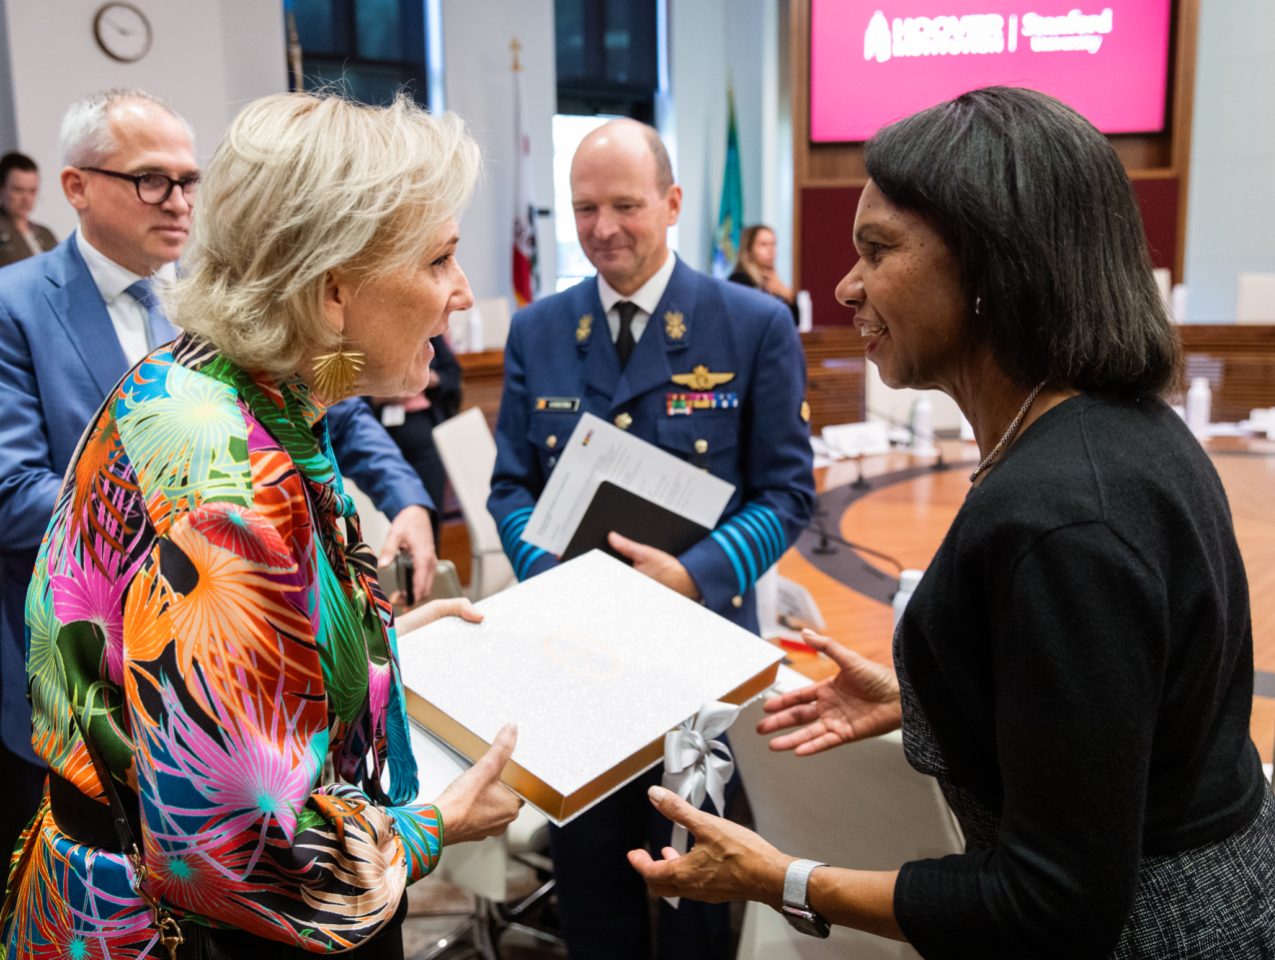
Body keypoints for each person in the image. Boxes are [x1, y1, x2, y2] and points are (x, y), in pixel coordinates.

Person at [627, 86, 1275, 958]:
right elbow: (1119, 717)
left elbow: (1049, 905)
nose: (846, 286)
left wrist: (777, 876)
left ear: (994, 265)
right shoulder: (1122, 431)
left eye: (878, 251)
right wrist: (924, 698)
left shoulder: (1060, 515)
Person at [0, 91, 524, 957]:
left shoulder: (229, 377)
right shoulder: (229, 487)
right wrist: (436, 825)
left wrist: (359, 639)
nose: (461, 296)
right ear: (331, 292)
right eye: (438, 260)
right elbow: (233, 849)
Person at [488, 118, 815, 960]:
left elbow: (785, 493)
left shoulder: (751, 324)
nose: (604, 229)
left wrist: (693, 574)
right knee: (589, 888)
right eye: (585, 208)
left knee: (693, 890)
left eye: (626, 205)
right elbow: (511, 488)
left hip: (695, 664)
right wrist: (552, 572)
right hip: (576, 664)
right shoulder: (539, 329)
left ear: (671, 204)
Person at [371, 331, 464, 541]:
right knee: (386, 525)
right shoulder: (369, 326)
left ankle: (429, 567)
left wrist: (424, 379)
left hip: (424, 433)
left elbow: (452, 375)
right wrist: (382, 395)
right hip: (380, 433)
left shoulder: (427, 328)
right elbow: (348, 393)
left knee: (429, 521)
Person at [728, 224, 796, 322]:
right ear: (748, 250)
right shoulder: (739, 280)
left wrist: (788, 295)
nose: (771, 250)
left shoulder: (774, 281)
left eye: (773, 244)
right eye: (763, 244)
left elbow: (794, 320)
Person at [0, 152, 57, 267]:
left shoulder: (45, 233)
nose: (27, 198)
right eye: (18, 190)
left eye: (32, 191)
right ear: (2, 188)